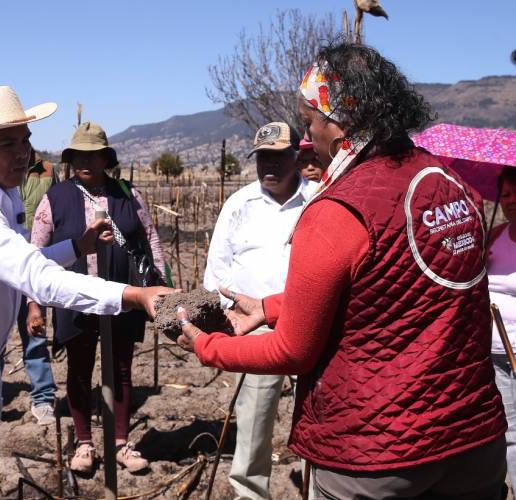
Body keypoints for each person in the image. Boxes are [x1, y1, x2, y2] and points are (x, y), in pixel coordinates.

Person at [177, 42, 507, 499]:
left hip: (379, 450)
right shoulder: (446, 183)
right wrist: (272, 307)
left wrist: (208, 346)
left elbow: (294, 353)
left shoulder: (336, 211)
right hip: (472, 435)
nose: (308, 138)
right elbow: (394, 294)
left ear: (341, 120)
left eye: (311, 120)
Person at [0, 88, 172, 499]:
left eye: (24, 139)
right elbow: (34, 276)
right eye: (8, 142)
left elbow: (26, 254)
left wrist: (76, 247)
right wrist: (132, 295)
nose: (23, 151)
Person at [29, 121, 166, 474]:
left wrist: (160, 286)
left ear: (107, 157)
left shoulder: (127, 193)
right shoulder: (55, 198)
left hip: (123, 296)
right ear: (71, 159)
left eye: (95, 154)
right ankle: (84, 442)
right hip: (75, 299)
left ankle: (120, 442)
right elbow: (34, 253)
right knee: (78, 370)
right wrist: (34, 304)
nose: (86, 161)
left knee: (120, 369)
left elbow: (150, 239)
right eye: (79, 155)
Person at [204, 121, 317, 499]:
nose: (268, 166)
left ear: (296, 156)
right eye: (262, 158)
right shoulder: (239, 205)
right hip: (254, 329)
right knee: (253, 419)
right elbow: (217, 269)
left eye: (277, 157)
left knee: (318, 415)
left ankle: (318, 488)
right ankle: (250, 492)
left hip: (311, 322)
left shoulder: (319, 200)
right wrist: (224, 317)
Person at [15, 149, 58, 425]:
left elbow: (58, 211)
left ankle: (43, 399)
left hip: (36, 261)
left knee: (35, 331)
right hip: (0, 261)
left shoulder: (48, 170)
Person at [489, 166, 516, 493]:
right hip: (496, 354)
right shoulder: (495, 236)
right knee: (510, 435)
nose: (510, 201)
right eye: (505, 194)